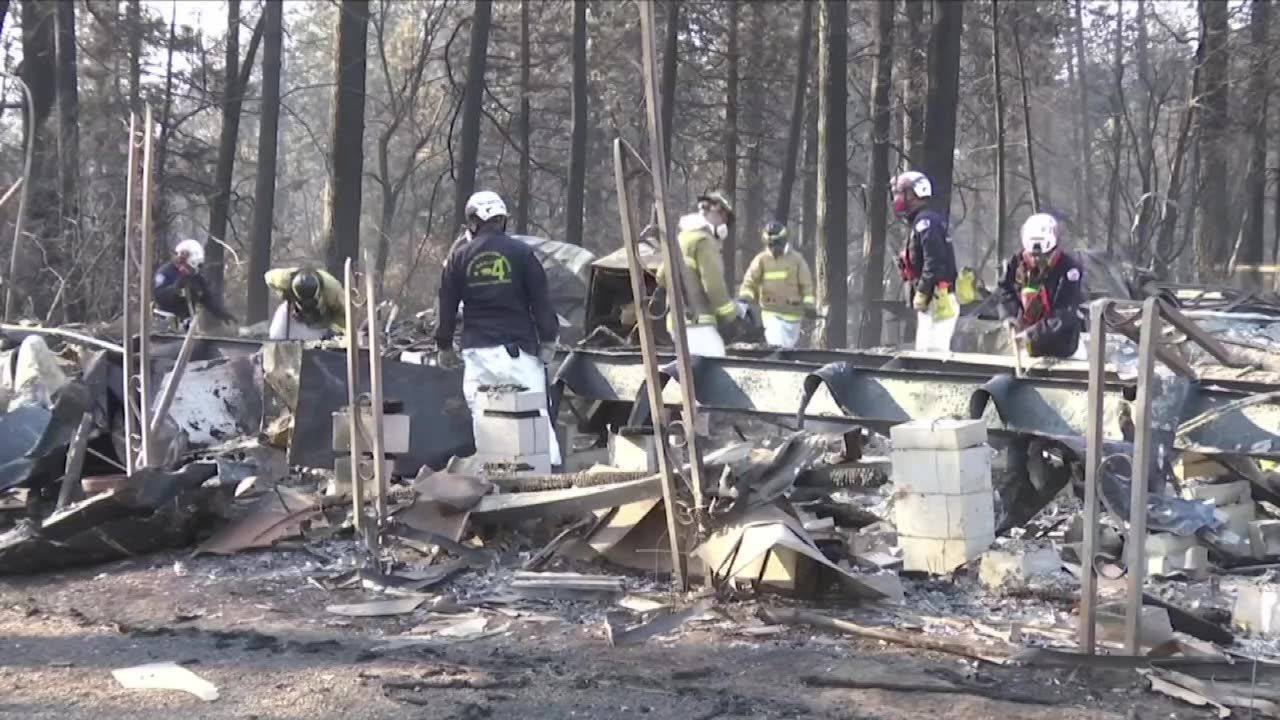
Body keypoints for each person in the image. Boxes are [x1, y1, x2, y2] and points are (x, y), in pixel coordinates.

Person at [435, 190, 562, 465]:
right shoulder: (522, 253)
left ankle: (494, 473)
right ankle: (545, 475)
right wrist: (548, 338)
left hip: (477, 353)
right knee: (534, 416)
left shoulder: (458, 258)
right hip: (517, 352)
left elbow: (446, 306)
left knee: (486, 419)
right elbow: (541, 300)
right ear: (502, 219)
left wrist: (444, 344)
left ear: (474, 222)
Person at [657, 191, 738, 357]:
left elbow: (661, 276)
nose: (724, 225)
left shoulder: (681, 238)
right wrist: (730, 315)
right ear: (717, 210)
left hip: (677, 322)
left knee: (691, 366)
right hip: (699, 322)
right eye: (725, 219)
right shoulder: (704, 240)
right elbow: (713, 284)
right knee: (716, 360)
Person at [997, 213, 1084, 359]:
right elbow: (1005, 290)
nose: (1037, 261)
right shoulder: (1016, 263)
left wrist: (1032, 335)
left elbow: (1064, 313)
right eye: (1032, 255)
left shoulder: (1069, 270)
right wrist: (1008, 316)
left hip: (1063, 348)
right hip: (1025, 345)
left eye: (1043, 256)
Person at [892, 171, 958, 352]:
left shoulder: (926, 222)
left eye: (901, 193)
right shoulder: (920, 222)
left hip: (938, 299)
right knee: (924, 352)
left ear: (916, 193)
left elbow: (935, 261)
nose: (897, 198)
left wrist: (922, 290)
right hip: (932, 301)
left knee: (932, 356)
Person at [736, 219, 816, 349]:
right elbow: (749, 282)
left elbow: (806, 286)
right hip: (771, 314)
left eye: (777, 244)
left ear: (784, 241)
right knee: (776, 345)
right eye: (770, 245)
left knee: (788, 350)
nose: (773, 248)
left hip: (794, 317)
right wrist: (745, 298)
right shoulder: (761, 260)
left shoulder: (797, 260)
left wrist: (809, 306)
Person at [153, 239, 236, 327]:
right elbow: (160, 295)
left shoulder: (195, 277)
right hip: (164, 325)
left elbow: (207, 298)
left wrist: (222, 314)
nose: (193, 270)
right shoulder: (165, 272)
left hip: (185, 325)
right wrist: (178, 285)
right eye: (191, 265)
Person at [264, 266, 346, 340]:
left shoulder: (333, 291)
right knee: (277, 335)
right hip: (295, 312)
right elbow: (268, 277)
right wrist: (284, 294)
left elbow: (346, 315)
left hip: (325, 318)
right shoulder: (284, 279)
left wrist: (339, 332)